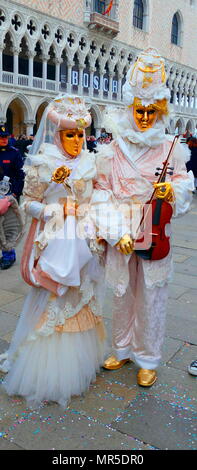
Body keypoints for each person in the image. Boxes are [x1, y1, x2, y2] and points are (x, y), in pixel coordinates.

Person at [72, 48, 194, 387]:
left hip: (154, 230)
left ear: (160, 110)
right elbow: (100, 191)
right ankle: (122, 348)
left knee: (152, 296)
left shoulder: (171, 146)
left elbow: (184, 181)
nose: (143, 116)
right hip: (122, 231)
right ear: (130, 107)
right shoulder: (113, 146)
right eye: (138, 109)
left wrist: (174, 191)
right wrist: (113, 231)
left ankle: (148, 357)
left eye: (150, 110)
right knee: (122, 294)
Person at [0, 95, 106, 407]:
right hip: (55, 242)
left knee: (80, 296)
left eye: (79, 134)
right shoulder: (43, 163)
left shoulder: (90, 163)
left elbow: (96, 198)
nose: (76, 141)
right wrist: (51, 206)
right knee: (54, 298)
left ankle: (78, 362)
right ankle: (47, 369)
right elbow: (29, 201)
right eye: (69, 134)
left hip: (84, 243)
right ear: (57, 135)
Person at [0, 125, 24, 269]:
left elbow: (21, 176)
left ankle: (9, 256)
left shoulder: (14, 153)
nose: (4, 139)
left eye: (5, 137)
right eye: (1, 137)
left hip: (9, 196)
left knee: (8, 227)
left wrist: (14, 194)